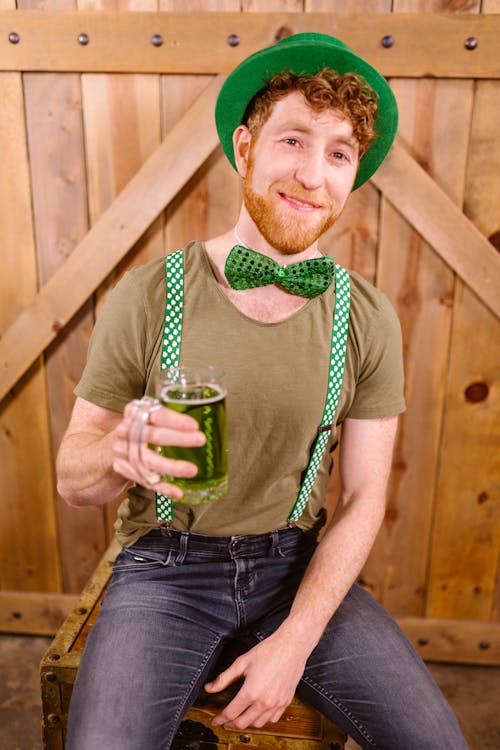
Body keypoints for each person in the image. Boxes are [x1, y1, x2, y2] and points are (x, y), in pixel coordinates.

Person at [57, 32, 468, 750]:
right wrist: (117, 454)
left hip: (295, 571)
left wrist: (296, 641)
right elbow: (72, 479)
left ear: (352, 177)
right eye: (293, 142)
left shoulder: (366, 317)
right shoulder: (150, 294)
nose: (313, 175)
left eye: (338, 154)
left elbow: (366, 497)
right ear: (245, 148)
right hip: (165, 571)